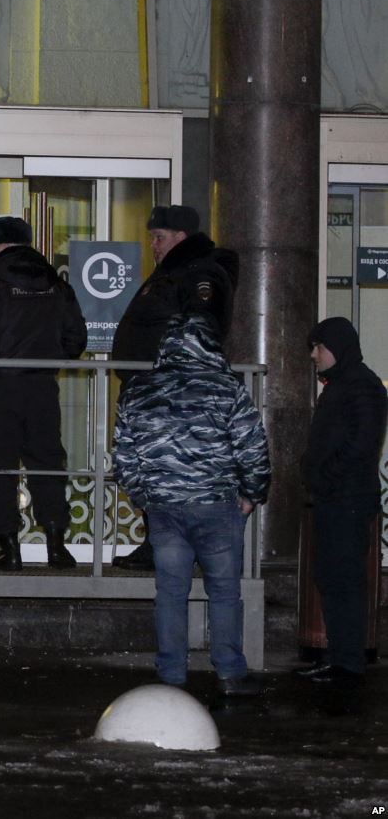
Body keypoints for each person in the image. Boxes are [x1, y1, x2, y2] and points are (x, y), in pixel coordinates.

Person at [113, 314, 269, 696]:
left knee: (169, 592)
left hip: (164, 508)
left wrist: (144, 498)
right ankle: (230, 674)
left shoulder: (139, 391)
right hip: (218, 505)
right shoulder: (227, 389)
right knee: (224, 592)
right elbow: (253, 449)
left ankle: (171, 675)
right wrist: (251, 494)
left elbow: (124, 456)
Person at [111, 205, 239, 572]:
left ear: (180, 238)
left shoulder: (200, 272)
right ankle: (157, 543)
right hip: (152, 389)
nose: (152, 244)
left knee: (164, 470)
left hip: (169, 392)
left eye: (159, 237)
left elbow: (201, 329)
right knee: (149, 469)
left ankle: (165, 547)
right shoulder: (172, 272)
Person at [0, 216, 87, 570]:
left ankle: (9, 547)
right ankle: (56, 544)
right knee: (47, 463)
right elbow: (76, 338)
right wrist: (48, 362)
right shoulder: (55, 282)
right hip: (42, 387)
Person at [296, 317, 387, 687]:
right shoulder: (342, 385)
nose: (314, 355)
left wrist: (324, 474)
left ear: (336, 347)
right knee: (332, 578)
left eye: (318, 347)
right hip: (333, 499)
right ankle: (339, 657)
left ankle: (348, 662)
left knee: (345, 580)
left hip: (347, 499)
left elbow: (360, 445)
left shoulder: (362, 386)